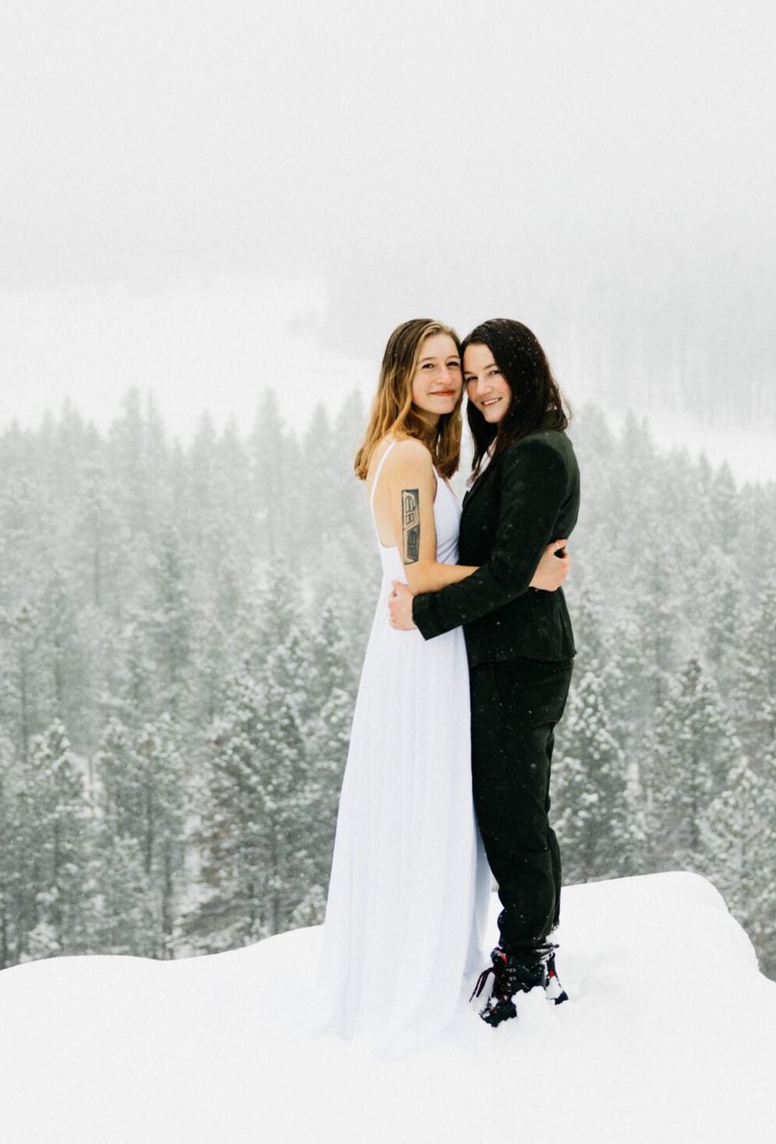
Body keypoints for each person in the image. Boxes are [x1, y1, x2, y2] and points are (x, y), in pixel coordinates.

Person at [309, 318, 570, 1056]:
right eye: (430, 365)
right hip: (420, 648)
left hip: (435, 640)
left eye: (455, 365)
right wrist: (528, 573)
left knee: (438, 801)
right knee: (422, 799)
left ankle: (427, 953)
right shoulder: (411, 459)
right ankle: (407, 968)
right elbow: (418, 576)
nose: (449, 379)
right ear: (400, 373)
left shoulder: (426, 453)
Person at [387, 317, 580, 1028]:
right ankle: (523, 949)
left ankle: (528, 962)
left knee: (515, 814)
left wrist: (427, 612)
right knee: (508, 808)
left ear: (526, 371)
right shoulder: (510, 448)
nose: (478, 387)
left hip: (519, 658)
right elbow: (513, 568)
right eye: (469, 376)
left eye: (492, 371)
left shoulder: (537, 455)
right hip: (503, 654)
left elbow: (506, 575)